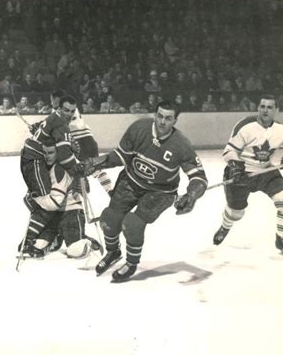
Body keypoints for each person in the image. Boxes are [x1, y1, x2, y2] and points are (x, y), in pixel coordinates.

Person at [81, 100, 208, 282]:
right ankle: (113, 252)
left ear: (175, 121)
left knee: (132, 224)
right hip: (131, 180)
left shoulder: (181, 145)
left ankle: (131, 264)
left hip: (160, 191)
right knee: (109, 219)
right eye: (160, 116)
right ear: (155, 115)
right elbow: (121, 156)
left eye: (168, 118)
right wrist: (95, 163)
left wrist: (192, 195)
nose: (163, 122)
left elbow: (199, 177)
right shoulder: (139, 128)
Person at [213, 94, 283, 257]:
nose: (265, 110)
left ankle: (282, 238)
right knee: (236, 213)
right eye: (262, 106)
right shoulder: (245, 126)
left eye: (269, 107)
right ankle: (225, 226)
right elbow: (229, 151)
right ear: (258, 108)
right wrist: (235, 166)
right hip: (241, 173)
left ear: (277, 110)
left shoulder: (282, 130)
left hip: (266, 171)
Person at [23, 141, 101, 258]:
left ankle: (86, 241)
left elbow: (54, 202)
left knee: (75, 250)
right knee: (37, 245)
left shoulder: (59, 169)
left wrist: (34, 198)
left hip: (71, 212)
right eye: (44, 152)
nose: (47, 156)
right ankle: (57, 236)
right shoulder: (42, 168)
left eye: (51, 152)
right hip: (54, 215)